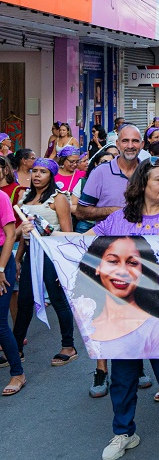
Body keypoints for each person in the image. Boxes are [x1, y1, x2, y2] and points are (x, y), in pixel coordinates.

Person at [76, 157, 159, 460]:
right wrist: (44, 236)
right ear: (142, 184)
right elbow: (81, 242)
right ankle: (124, 432)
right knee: (122, 377)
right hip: (123, 313)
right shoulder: (120, 219)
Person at [75, 124, 145, 397]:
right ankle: (101, 371)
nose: (130, 145)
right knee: (102, 313)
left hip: (138, 254)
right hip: (104, 251)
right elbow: (81, 210)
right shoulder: (101, 172)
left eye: (135, 141)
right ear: (117, 142)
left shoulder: (147, 172)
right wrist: (114, 212)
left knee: (135, 311)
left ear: (141, 145)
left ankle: (136, 367)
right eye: (125, 140)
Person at [12, 158, 76, 368]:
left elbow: (66, 233)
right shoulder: (24, 198)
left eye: (43, 172)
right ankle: (16, 347)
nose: (37, 175)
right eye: (35, 171)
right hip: (31, 252)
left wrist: (63, 264)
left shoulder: (59, 198)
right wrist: (19, 258)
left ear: (51, 175)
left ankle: (68, 346)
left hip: (51, 254)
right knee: (24, 301)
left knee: (57, 299)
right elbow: (24, 234)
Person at [0, 185, 21, 395]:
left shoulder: (1, 197)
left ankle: (17, 373)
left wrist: (1, 269)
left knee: (0, 324)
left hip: (1, 261)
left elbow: (10, 235)